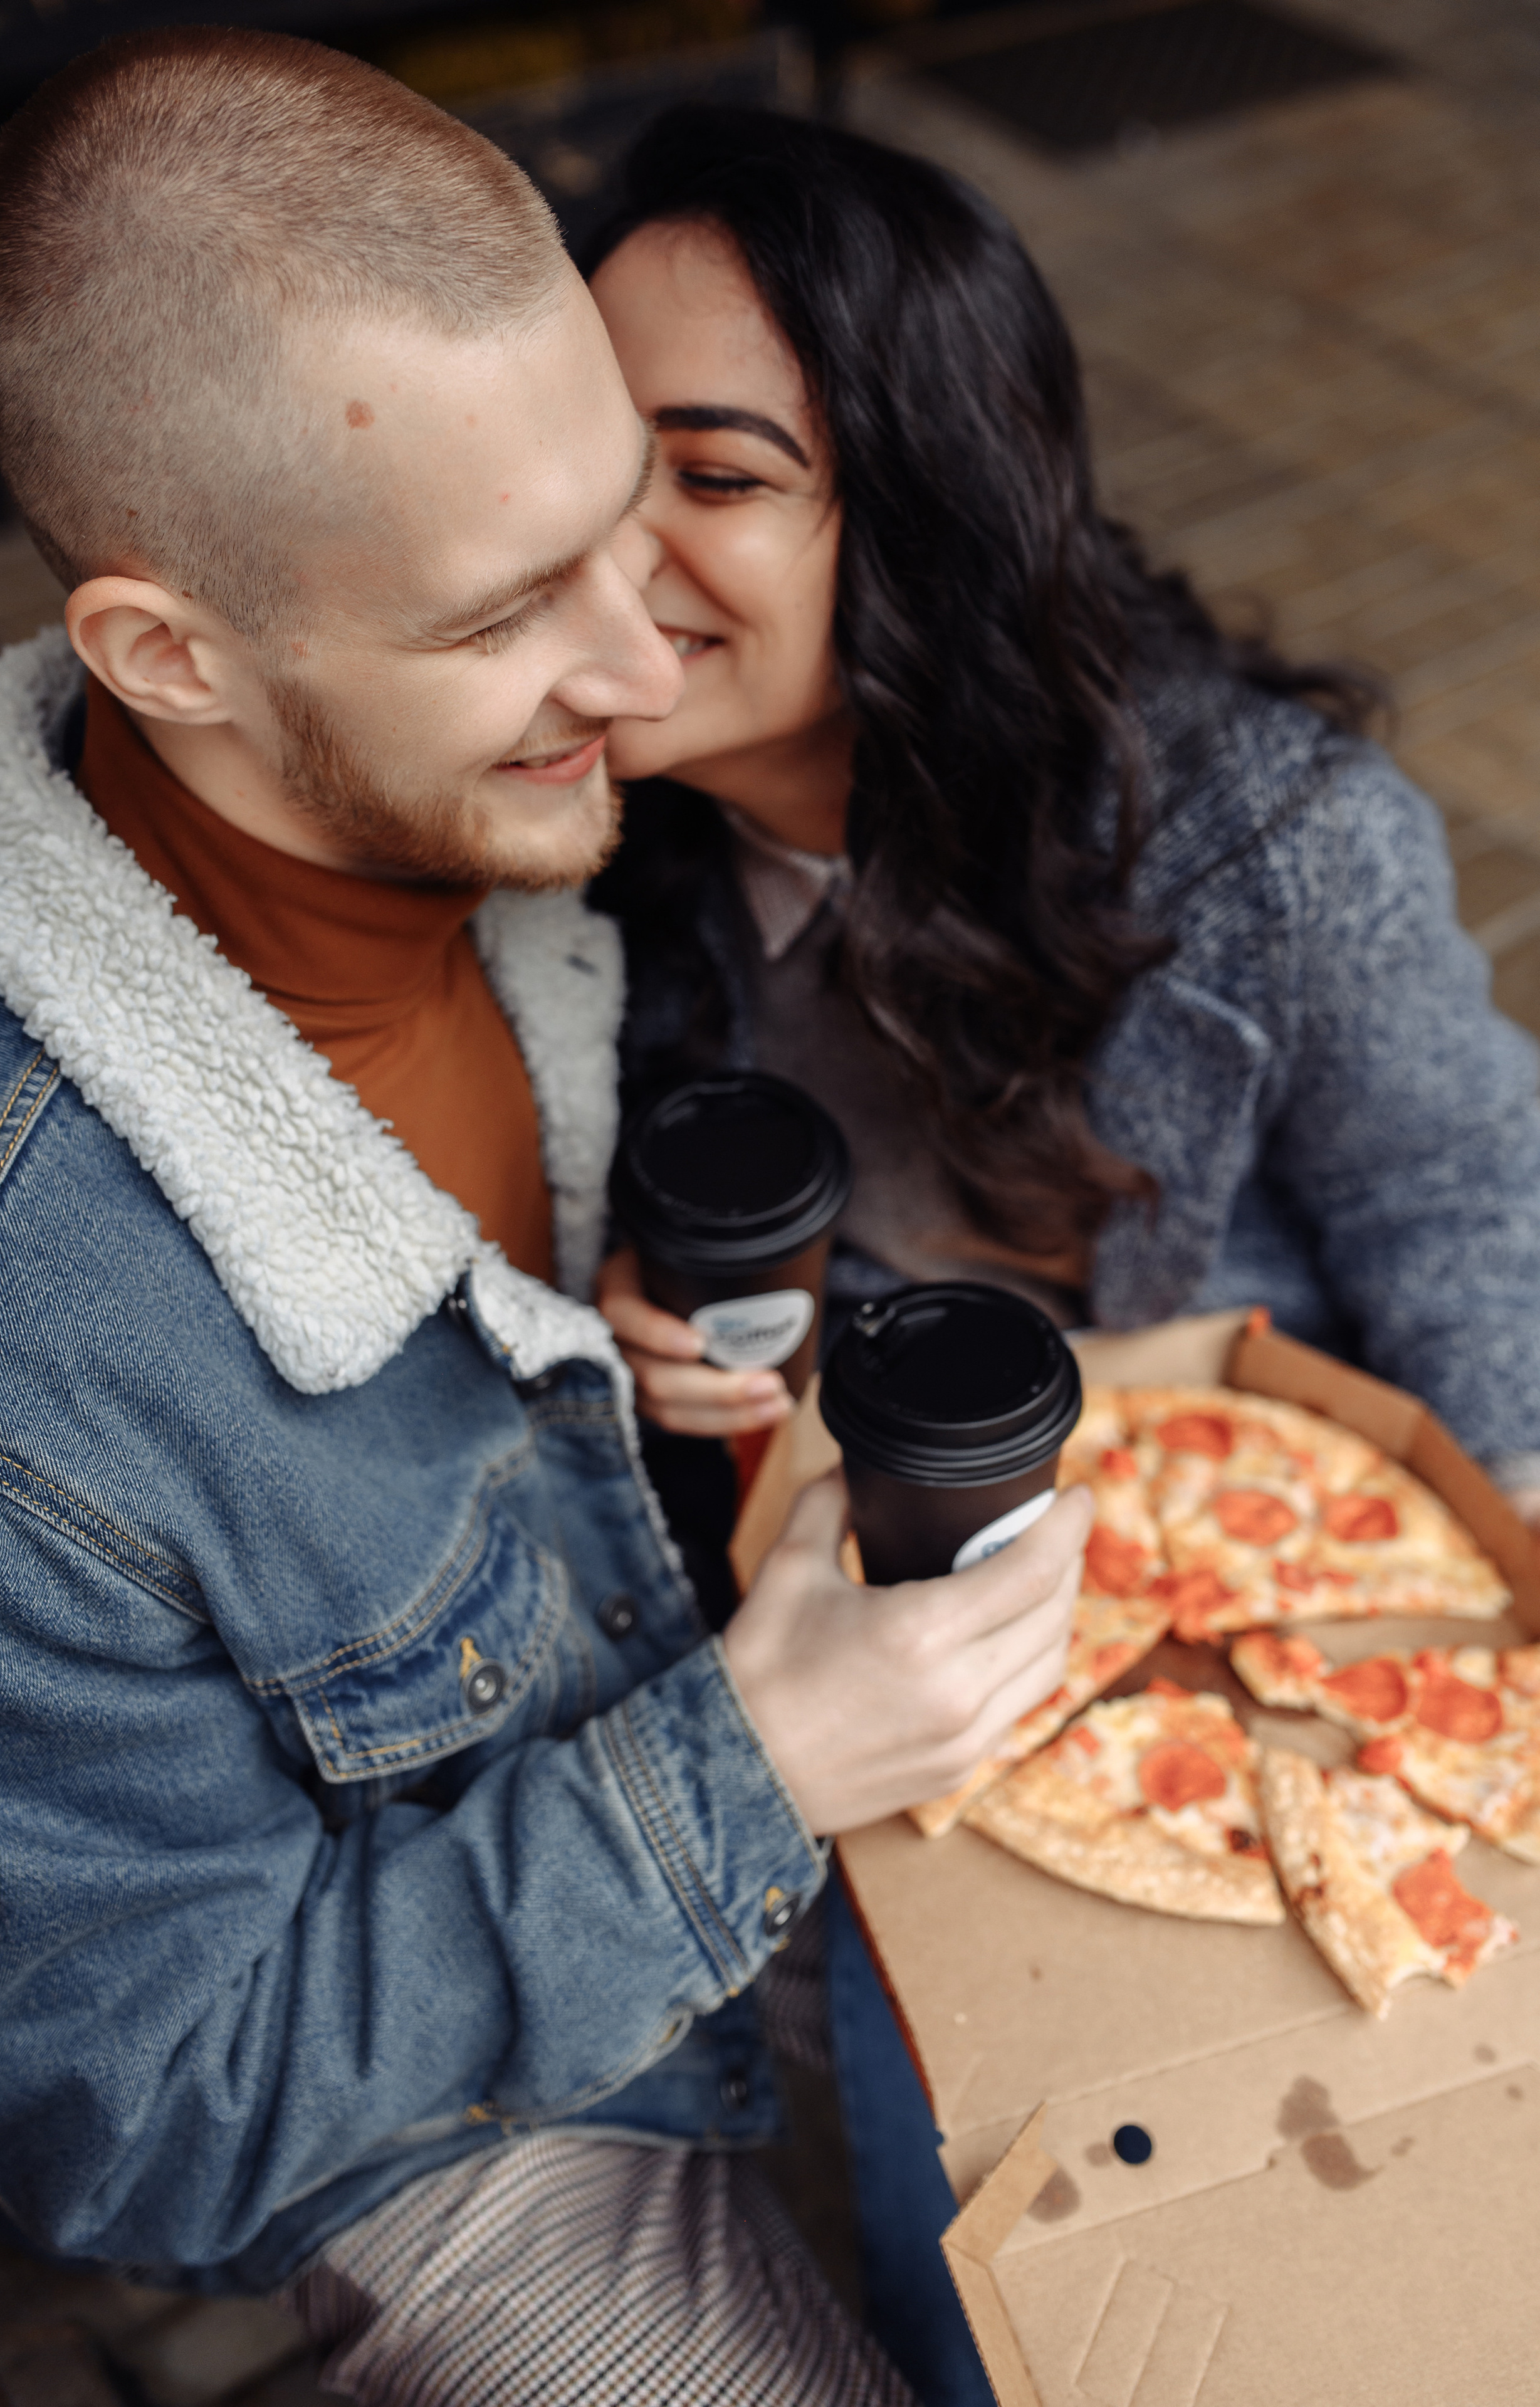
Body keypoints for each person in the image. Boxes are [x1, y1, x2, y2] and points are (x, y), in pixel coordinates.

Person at [0, 34, 1094, 2407]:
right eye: (503, 616)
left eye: (634, 516)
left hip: (700, 1709)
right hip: (444, 2116)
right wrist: (747, 1775)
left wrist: (589, 1310)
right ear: (171, 657)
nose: (646, 662)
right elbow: (134, 2115)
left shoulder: (508, 817)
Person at [585, 107, 1540, 2400]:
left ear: (909, 511)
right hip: (871, 1627)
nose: (605, 561)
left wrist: (1493, 1596)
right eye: (577, 467)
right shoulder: (567, 856)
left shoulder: (1276, 844)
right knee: (967, 2208)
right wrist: (627, 1335)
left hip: (1262, 1598)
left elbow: (1463, 1209)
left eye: (710, 478)